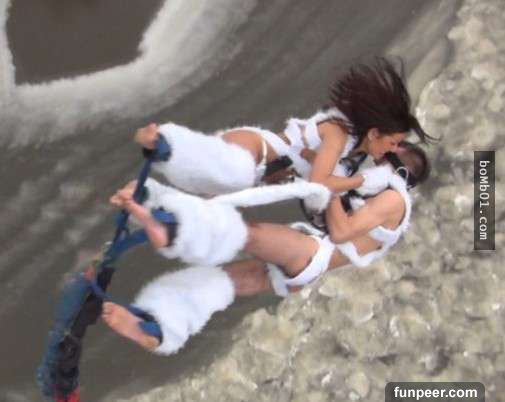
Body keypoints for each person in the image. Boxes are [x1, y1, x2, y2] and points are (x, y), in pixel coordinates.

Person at [102, 141, 430, 355]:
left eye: (384, 159)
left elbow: (342, 231)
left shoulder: (393, 198)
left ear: (398, 169)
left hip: (311, 252)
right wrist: (318, 167)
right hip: (306, 265)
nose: (374, 162)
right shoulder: (379, 192)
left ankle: (158, 204)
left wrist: (332, 186)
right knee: (222, 282)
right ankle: (159, 328)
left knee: (247, 235)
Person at [133, 58, 434, 196]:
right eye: (393, 142)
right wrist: (363, 180)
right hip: (255, 150)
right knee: (232, 171)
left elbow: (319, 172)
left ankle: (143, 191)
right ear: (375, 133)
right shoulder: (339, 133)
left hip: (255, 175)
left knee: (195, 201)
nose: (394, 148)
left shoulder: (355, 151)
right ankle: (163, 138)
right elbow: (320, 182)